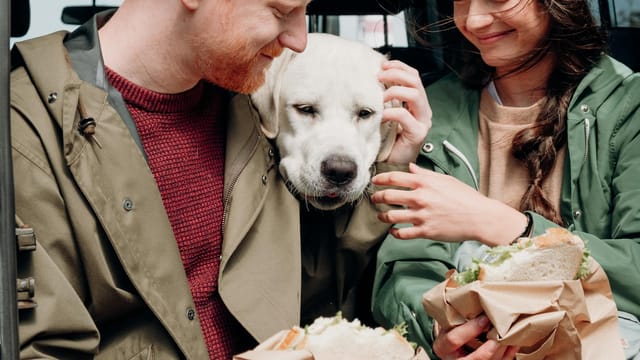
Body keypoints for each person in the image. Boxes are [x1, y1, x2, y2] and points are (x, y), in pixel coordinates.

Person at [9, 0, 430, 358]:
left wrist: (390, 164)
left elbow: (299, 286)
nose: (300, 40)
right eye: (282, 9)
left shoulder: (249, 106)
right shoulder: (23, 132)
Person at [368, 0, 640, 358]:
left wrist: (507, 227)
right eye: (461, 1)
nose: (475, 20)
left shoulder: (628, 107)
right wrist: (440, 327)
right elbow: (406, 265)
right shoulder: (429, 112)